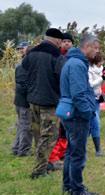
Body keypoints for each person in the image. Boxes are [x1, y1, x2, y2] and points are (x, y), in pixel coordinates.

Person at [22, 28, 66, 179]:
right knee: (49, 136)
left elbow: (24, 69)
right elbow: (62, 77)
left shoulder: (31, 52)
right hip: (49, 102)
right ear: (58, 41)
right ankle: (39, 171)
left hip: (33, 100)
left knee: (38, 135)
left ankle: (45, 163)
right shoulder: (56, 56)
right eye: (61, 41)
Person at [60, 34, 99, 195]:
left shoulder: (74, 61)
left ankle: (68, 186)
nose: (97, 52)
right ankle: (77, 190)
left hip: (71, 114)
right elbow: (78, 94)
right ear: (87, 46)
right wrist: (88, 113)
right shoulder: (77, 65)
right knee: (78, 154)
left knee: (70, 151)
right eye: (96, 48)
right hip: (77, 116)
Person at [48, 33, 73, 170]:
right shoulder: (56, 56)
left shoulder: (74, 58)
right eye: (64, 41)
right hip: (57, 97)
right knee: (59, 128)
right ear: (60, 43)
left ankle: (64, 151)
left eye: (69, 41)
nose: (67, 43)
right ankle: (55, 155)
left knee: (66, 128)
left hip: (67, 97)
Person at [12, 41, 33, 157]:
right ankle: (24, 151)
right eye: (19, 49)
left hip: (20, 100)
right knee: (26, 126)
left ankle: (16, 148)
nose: (20, 50)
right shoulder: (24, 66)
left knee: (21, 125)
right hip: (24, 101)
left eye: (22, 48)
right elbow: (22, 84)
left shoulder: (23, 64)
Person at [88, 52, 105, 155]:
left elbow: (102, 84)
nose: (103, 62)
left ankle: (86, 146)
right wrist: (102, 78)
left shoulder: (101, 69)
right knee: (96, 123)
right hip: (90, 99)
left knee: (92, 123)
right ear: (96, 61)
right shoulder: (90, 70)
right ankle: (98, 150)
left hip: (97, 98)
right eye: (101, 60)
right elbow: (91, 84)